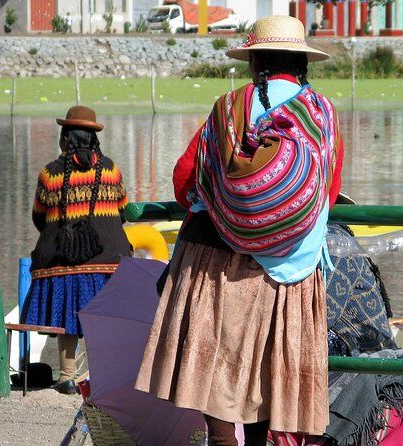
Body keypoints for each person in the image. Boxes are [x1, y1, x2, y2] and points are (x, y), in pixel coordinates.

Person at [136, 16, 344, 445]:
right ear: (302, 63)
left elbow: (185, 179)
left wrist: (230, 203)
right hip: (291, 269)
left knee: (215, 379)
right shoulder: (322, 114)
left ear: (255, 62)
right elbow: (330, 186)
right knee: (267, 380)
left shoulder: (228, 109)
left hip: (216, 262)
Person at [22, 105, 132, 395]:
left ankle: (67, 376)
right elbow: (122, 210)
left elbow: (39, 216)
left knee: (67, 315)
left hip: (62, 261)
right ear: (94, 139)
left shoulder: (50, 174)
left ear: (64, 138)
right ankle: (101, 377)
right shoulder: (110, 169)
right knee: (101, 319)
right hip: (108, 260)